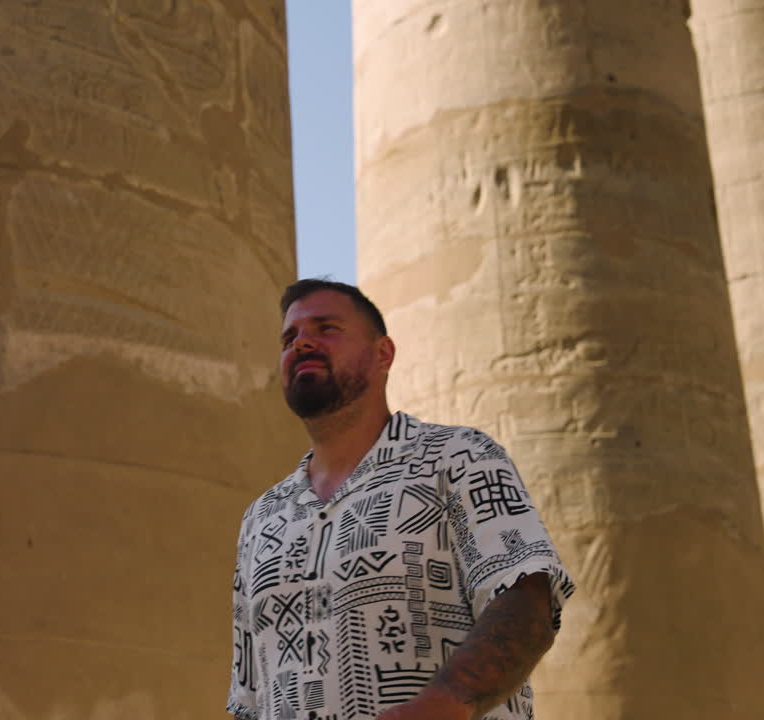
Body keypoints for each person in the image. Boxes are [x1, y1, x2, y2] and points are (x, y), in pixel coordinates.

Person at [228, 279, 575, 720]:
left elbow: (527, 601)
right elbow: (250, 697)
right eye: (289, 337)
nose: (302, 343)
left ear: (383, 354)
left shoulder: (460, 457)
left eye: (326, 328)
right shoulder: (261, 518)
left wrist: (447, 702)